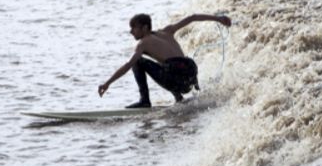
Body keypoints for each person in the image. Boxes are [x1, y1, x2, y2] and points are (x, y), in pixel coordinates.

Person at [98, 13, 232, 108]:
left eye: (134, 28)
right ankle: (179, 99)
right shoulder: (167, 31)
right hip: (190, 73)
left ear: (144, 28)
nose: (131, 32)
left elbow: (128, 65)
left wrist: (107, 83)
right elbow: (193, 17)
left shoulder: (142, 43)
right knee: (166, 64)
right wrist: (218, 18)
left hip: (177, 77)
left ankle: (144, 101)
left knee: (139, 62)